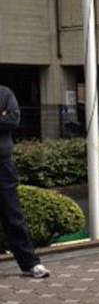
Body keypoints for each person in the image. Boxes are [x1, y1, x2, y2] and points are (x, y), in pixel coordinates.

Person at [0, 85, 50, 278]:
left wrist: (6, 116)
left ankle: (30, 264)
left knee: (13, 215)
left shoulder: (5, 93)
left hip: (2, 165)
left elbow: (13, 120)